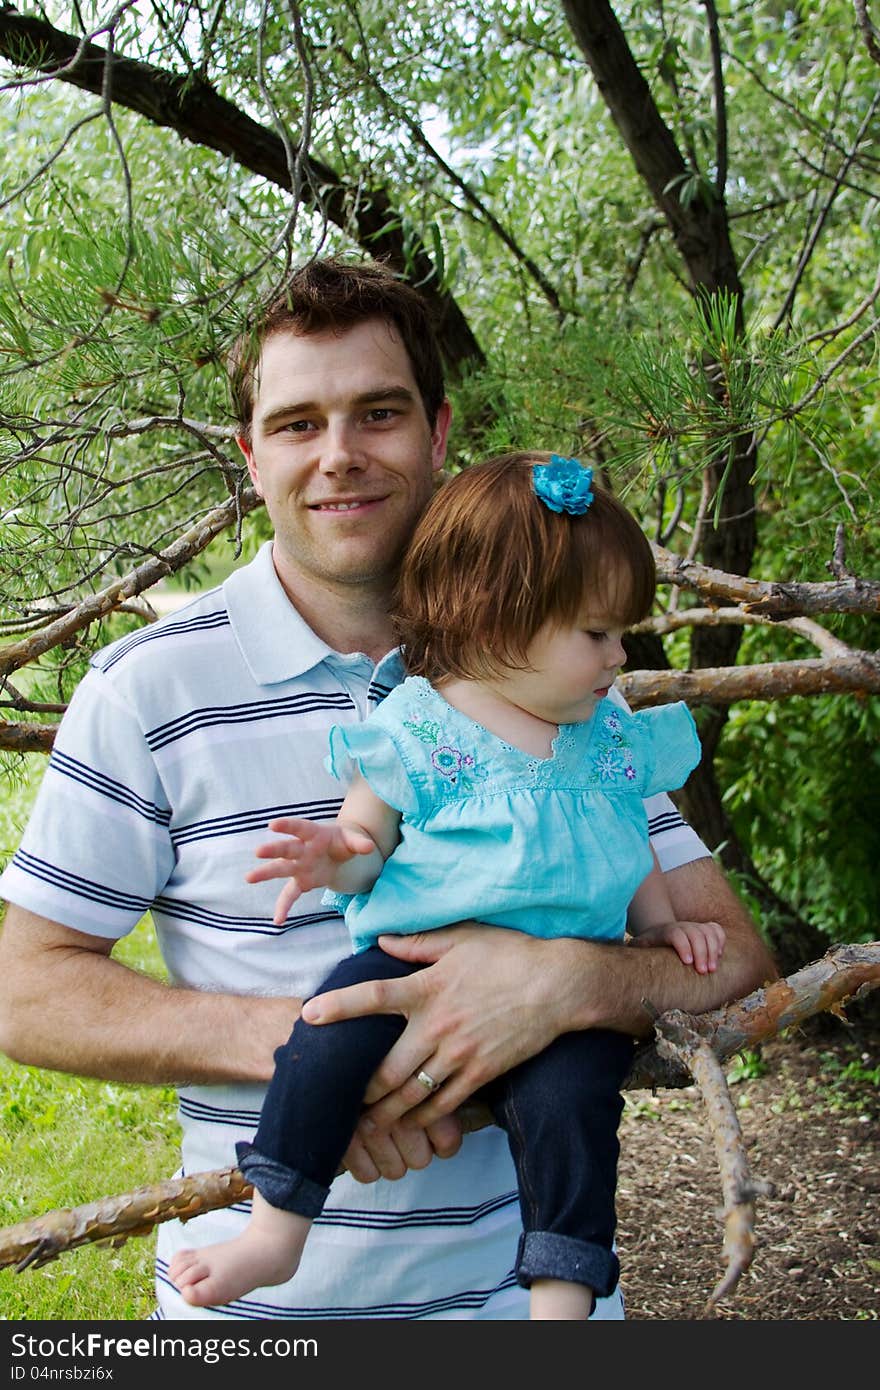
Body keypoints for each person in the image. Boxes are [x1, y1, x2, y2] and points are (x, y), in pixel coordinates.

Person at [0, 257, 776, 1321]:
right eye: (296, 423)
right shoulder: (149, 688)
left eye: (378, 411)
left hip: (526, 1307)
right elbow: (24, 988)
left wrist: (567, 984)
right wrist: (332, 1054)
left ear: (438, 435)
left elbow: (733, 962)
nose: (339, 456)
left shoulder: (552, 677)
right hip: (259, 1317)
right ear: (249, 454)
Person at [167, 451, 727, 1318]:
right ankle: (274, 1229)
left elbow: (628, 840)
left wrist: (660, 929)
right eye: (596, 633)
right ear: (502, 619)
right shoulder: (422, 724)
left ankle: (561, 1295)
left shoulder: (604, 728)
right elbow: (366, 840)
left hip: (567, 988)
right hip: (407, 963)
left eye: (620, 633)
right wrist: (329, 858)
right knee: (319, 1044)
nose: (619, 653)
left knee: (574, 1114)